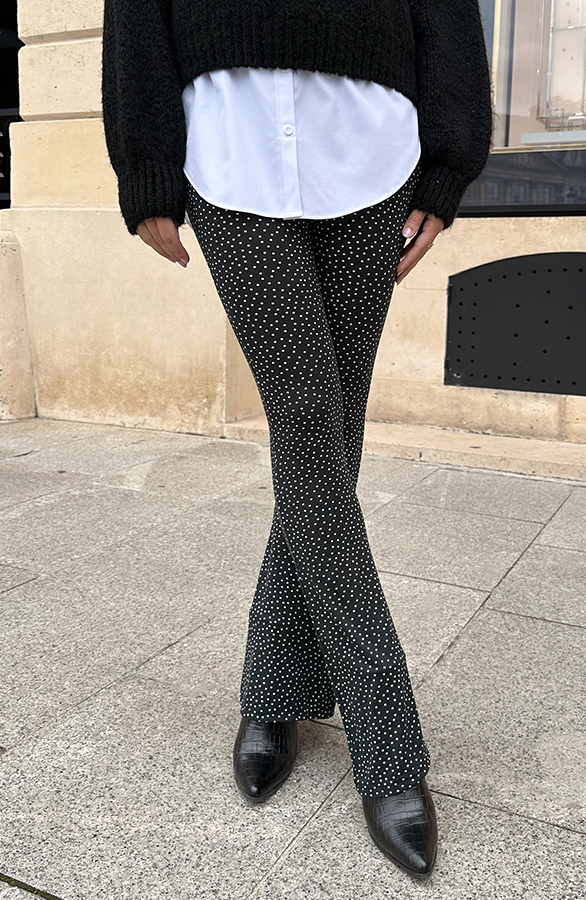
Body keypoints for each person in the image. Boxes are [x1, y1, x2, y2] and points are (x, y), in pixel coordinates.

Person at [101, 0, 494, 880]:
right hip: (229, 153)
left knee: (330, 440)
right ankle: (388, 741)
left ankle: (274, 688)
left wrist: (448, 168)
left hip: (373, 153)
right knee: (310, 417)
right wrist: (145, 161)